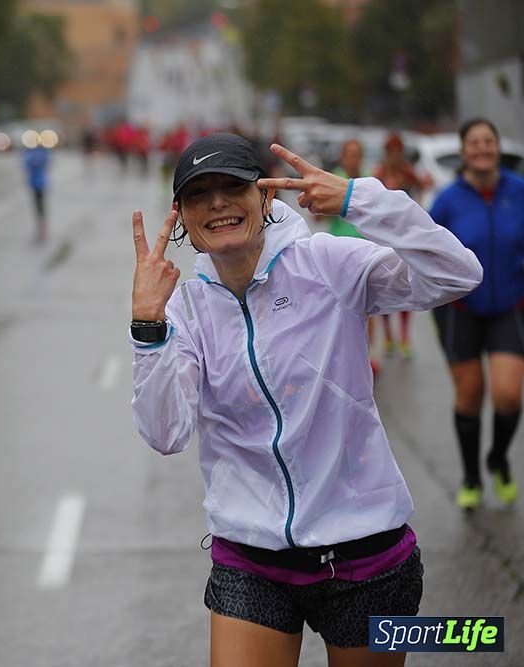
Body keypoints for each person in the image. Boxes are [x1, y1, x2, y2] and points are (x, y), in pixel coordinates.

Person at [130, 133, 482, 665]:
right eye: (201, 194)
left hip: (366, 555)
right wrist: (147, 328)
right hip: (252, 559)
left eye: (233, 186)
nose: (219, 202)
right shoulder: (184, 309)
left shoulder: (326, 264)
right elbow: (165, 433)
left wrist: (360, 199)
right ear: (181, 216)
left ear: (266, 198)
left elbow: (459, 274)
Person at [430, 118, 524, 510]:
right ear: (464, 150)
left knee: (507, 395)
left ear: (498, 148)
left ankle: (498, 458)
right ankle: (471, 476)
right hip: (459, 310)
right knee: (469, 397)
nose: (482, 148)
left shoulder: (519, 192)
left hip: (510, 307)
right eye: (475, 142)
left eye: (489, 141)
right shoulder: (448, 200)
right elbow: (425, 249)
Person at [325, 139, 384, 375]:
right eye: (349, 154)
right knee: (343, 309)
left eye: (357, 154)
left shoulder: (368, 181)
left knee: (369, 308)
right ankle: (344, 358)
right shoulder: (334, 179)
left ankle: (367, 357)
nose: (353, 159)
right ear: (342, 157)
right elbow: (318, 214)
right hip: (340, 253)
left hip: (366, 252)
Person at [374, 133, 432, 359]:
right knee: (385, 286)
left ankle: (405, 337)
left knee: (408, 284)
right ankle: (389, 335)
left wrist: (417, 210)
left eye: (398, 151)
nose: (395, 156)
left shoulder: (408, 171)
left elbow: (422, 188)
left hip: (405, 237)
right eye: (391, 152)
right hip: (384, 236)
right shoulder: (379, 173)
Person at [22, 140, 51, 244]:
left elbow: (25, 165)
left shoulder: (29, 154)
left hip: (35, 183)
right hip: (42, 183)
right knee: (41, 206)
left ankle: (40, 228)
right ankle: (42, 228)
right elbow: (48, 163)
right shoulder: (43, 153)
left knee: (38, 206)